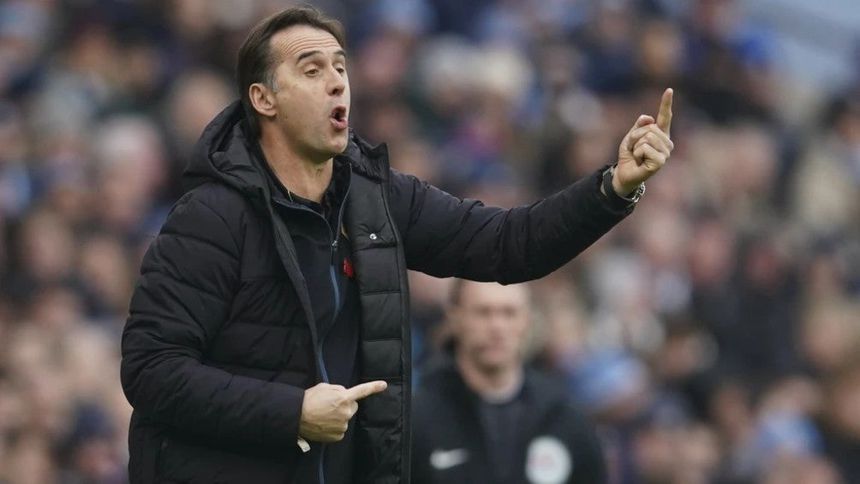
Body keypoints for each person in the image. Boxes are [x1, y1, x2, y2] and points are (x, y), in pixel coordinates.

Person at [119, 6, 675, 484]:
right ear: (264, 99)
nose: (337, 82)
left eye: (341, 67)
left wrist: (614, 187)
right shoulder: (212, 216)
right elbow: (151, 370)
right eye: (312, 70)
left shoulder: (377, 199)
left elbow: (510, 244)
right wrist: (291, 412)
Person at [411, 280, 607, 484]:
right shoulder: (418, 417)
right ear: (455, 317)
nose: (497, 326)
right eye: (483, 312)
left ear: (527, 319)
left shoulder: (563, 416)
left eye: (509, 313)